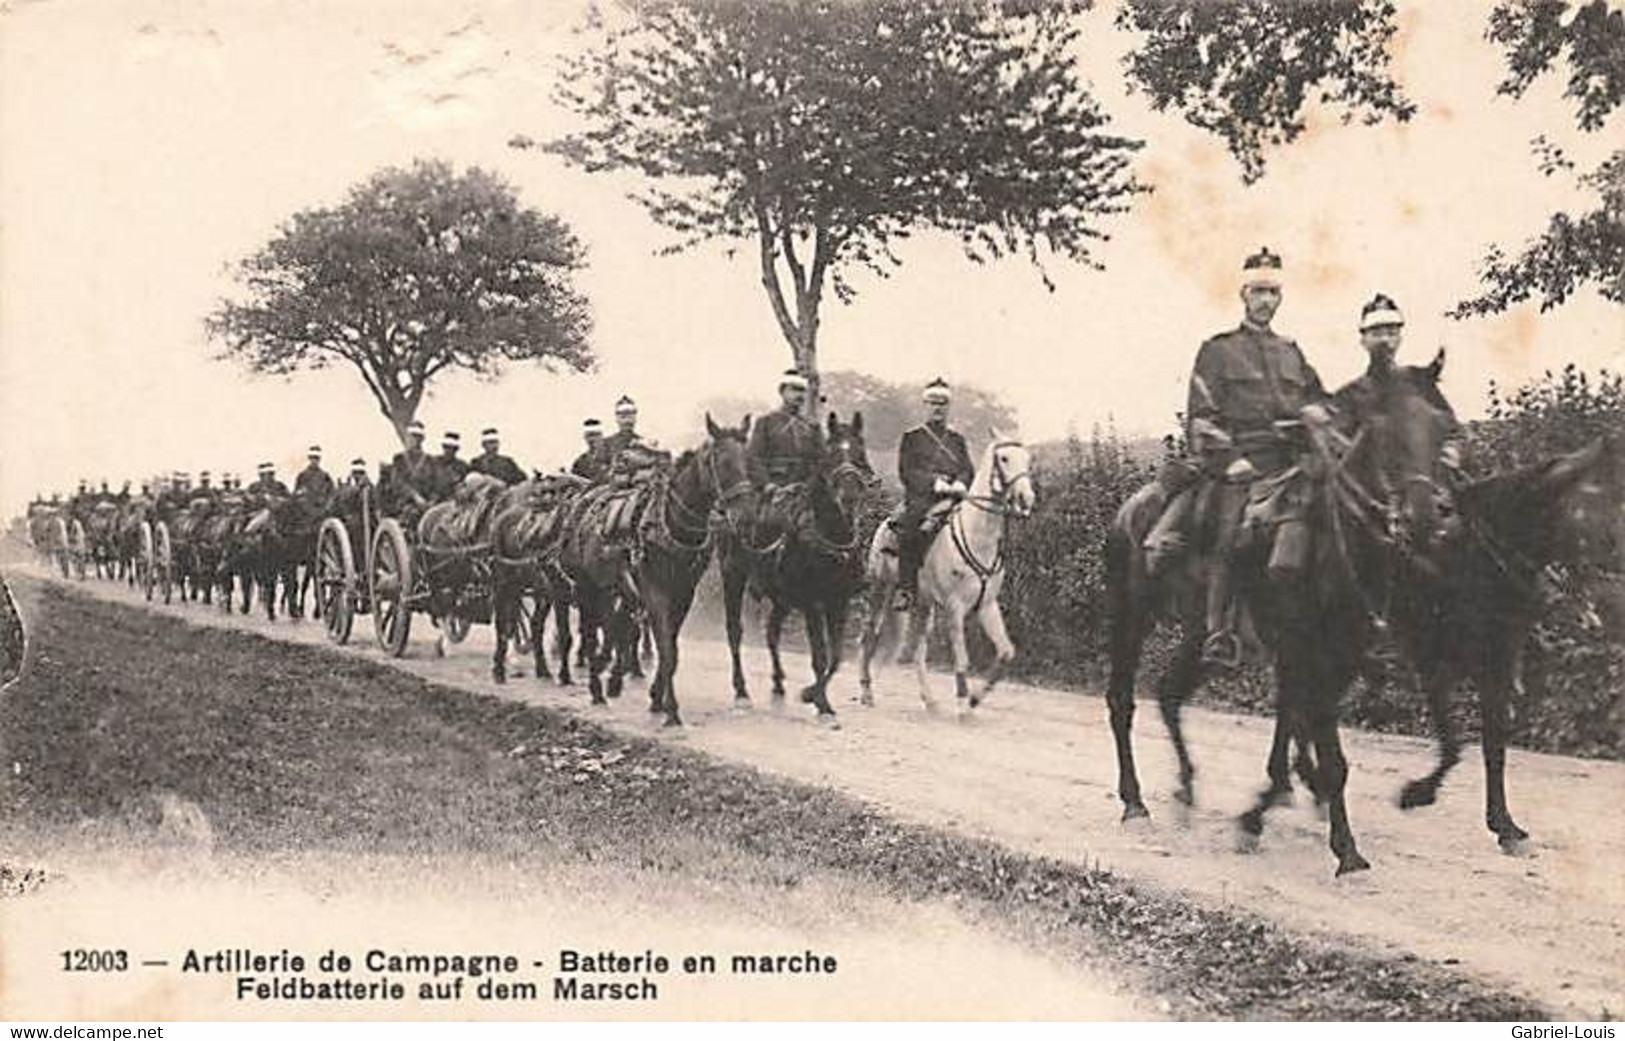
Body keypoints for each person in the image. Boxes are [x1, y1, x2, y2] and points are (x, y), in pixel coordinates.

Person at [1146, 247, 1330, 668]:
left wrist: (1317, 414)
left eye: (1273, 293)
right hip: (1237, 468)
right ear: (1243, 295)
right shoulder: (1218, 350)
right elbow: (1201, 417)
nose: (1266, 301)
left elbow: (1320, 401)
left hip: (1290, 466)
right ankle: (1220, 631)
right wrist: (1230, 460)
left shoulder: (1291, 352)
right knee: (1233, 530)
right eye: (1259, 292)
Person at [893, 377, 975, 612]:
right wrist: (933, 483)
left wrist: (960, 482)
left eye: (942, 403)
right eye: (933, 403)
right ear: (925, 405)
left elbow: (967, 468)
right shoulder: (913, 437)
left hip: (954, 497)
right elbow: (906, 471)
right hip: (923, 498)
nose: (938, 408)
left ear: (948, 407)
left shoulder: (957, 440)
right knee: (911, 528)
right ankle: (906, 588)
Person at [747, 369, 824, 490]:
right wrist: (766, 484)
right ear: (782, 392)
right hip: (775, 486)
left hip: (806, 488)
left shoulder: (813, 426)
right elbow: (753, 458)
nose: (800, 395)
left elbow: (821, 459)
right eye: (794, 389)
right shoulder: (766, 422)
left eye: (803, 390)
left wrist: (810, 484)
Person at [570, 419, 613, 483]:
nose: (592, 439)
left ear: (601, 436)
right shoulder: (580, 462)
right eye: (589, 436)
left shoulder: (613, 456)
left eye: (595, 435)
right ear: (585, 438)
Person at [431, 430, 470, 499]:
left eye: (452, 448)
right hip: (432, 499)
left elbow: (465, 486)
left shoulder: (462, 466)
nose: (448, 450)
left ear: (456, 450)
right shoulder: (433, 462)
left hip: (452, 501)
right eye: (446, 447)